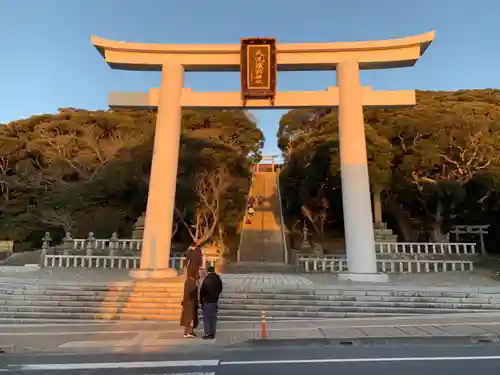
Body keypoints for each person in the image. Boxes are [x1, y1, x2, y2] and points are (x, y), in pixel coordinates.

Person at [199, 265, 223, 339]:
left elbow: (202, 290)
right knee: (213, 318)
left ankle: (208, 333)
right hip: (214, 301)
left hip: (207, 301)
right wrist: (216, 295)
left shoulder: (207, 279)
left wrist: (201, 300)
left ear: (208, 271)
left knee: (207, 318)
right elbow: (220, 288)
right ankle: (213, 332)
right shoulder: (217, 278)